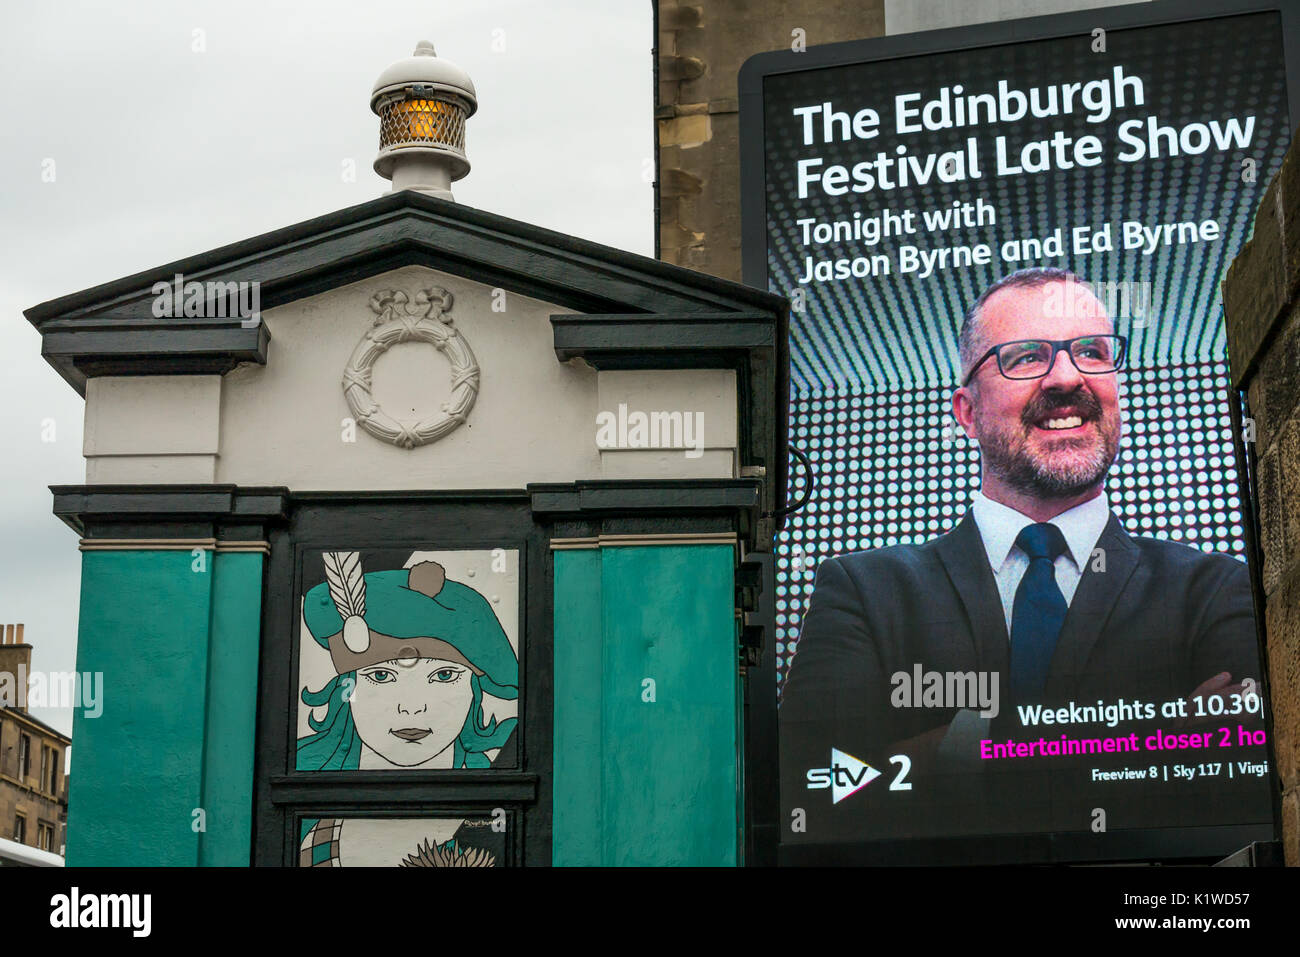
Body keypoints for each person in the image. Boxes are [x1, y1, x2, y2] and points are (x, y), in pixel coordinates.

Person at [781, 267, 1262, 787]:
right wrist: (1157, 729)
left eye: (1092, 352)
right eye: (1027, 357)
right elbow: (818, 786)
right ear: (967, 411)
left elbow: (1236, 783)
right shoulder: (863, 593)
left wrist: (955, 746)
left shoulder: (1215, 590)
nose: (1066, 378)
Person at [296, 552, 517, 865]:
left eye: (443, 675)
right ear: (346, 688)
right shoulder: (306, 796)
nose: (411, 708)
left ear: (474, 689)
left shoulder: (495, 800)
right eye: (381, 675)